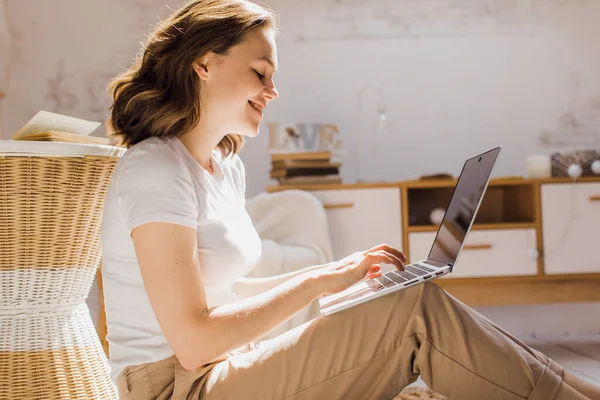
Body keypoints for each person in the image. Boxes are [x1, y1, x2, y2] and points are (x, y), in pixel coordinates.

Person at [101, 1, 600, 399]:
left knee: (410, 297)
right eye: (260, 72)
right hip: (177, 387)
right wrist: (318, 279)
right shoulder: (156, 169)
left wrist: (343, 277)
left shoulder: (222, 163)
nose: (273, 91)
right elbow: (194, 341)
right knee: (411, 315)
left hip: (226, 367)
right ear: (204, 64)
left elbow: (227, 292)